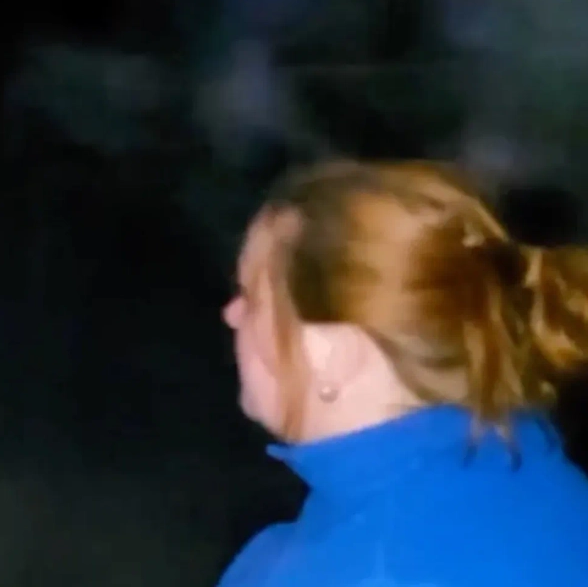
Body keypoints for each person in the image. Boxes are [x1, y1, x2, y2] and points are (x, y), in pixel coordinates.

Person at [218, 159, 588, 586]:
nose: (231, 314)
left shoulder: (347, 570)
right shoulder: (531, 459)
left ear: (329, 354)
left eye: (251, 298)